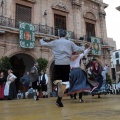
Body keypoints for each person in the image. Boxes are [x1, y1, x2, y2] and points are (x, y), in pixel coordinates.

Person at [40, 29, 85, 107]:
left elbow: (43, 43)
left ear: (59, 35)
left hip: (57, 64)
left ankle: (59, 98)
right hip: (66, 64)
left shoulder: (55, 42)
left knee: (59, 82)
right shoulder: (70, 43)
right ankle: (59, 99)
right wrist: (82, 44)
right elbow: (80, 50)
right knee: (65, 82)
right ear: (65, 35)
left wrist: (42, 39)